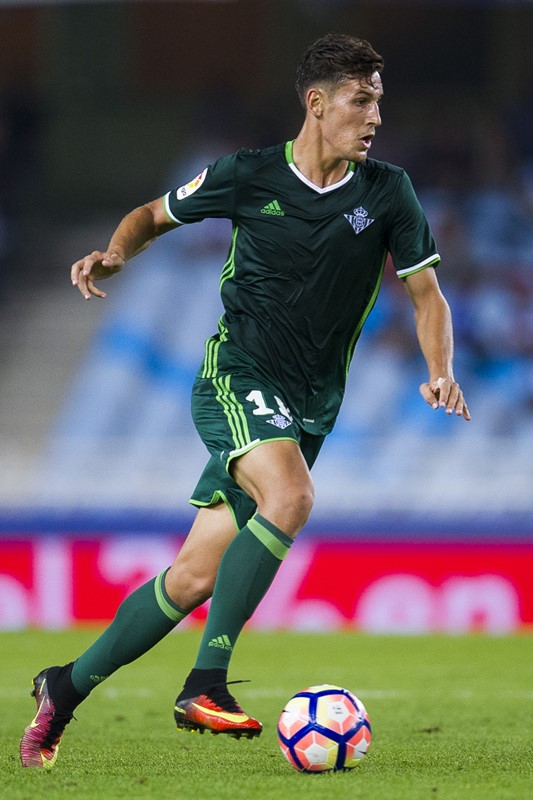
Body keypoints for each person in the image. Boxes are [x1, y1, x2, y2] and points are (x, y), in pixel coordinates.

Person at [20, 33, 470, 769]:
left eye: (378, 102)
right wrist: (116, 253)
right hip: (237, 375)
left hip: (307, 406)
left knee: (194, 575)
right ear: (317, 104)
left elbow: (427, 293)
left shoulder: (388, 191)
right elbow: (151, 215)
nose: (375, 117)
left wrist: (440, 368)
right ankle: (205, 684)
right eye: (361, 101)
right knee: (291, 497)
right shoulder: (247, 174)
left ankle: (62, 688)